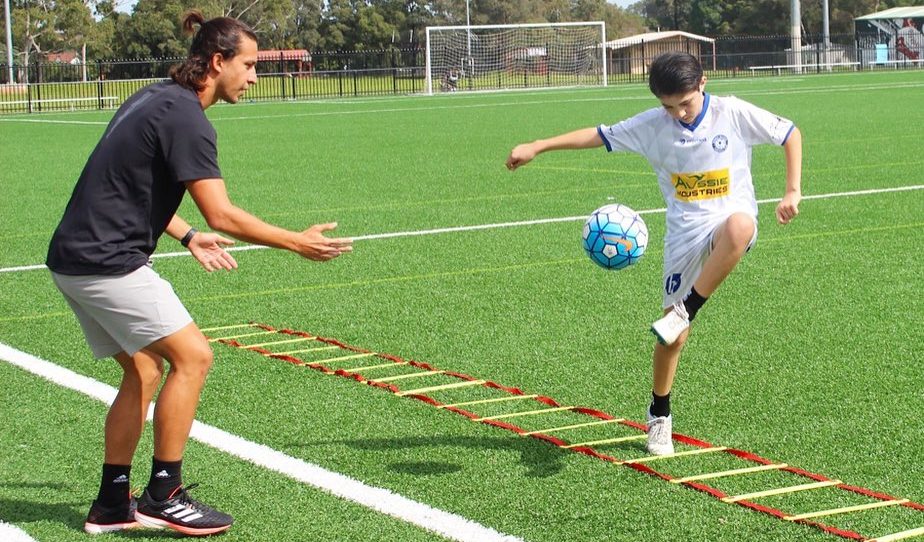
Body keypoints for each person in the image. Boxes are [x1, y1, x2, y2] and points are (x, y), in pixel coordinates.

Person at [46, 11, 352, 536]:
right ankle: (164, 495)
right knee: (194, 357)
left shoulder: (154, 97)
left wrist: (186, 236)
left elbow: (129, 185)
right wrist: (296, 241)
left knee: (144, 371)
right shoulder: (188, 118)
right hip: (107, 262)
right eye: (249, 65)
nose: (254, 76)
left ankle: (112, 504)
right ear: (217, 62)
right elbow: (224, 215)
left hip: (72, 260)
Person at [505, 51, 802, 456]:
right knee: (672, 338)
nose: (678, 113)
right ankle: (659, 413)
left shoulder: (732, 113)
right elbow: (599, 134)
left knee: (741, 226)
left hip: (729, 221)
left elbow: (789, 133)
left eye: (685, 103)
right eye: (669, 106)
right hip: (684, 234)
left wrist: (792, 190)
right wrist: (539, 145)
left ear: (703, 83)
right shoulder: (652, 126)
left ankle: (689, 306)